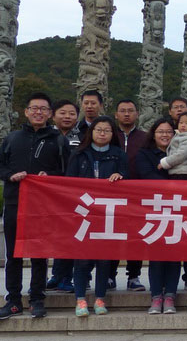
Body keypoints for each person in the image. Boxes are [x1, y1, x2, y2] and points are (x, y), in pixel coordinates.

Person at [0, 92, 70, 319]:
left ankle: (37, 298)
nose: (38, 112)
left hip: (43, 206)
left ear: (50, 114)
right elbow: (1, 167)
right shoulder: (12, 138)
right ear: (26, 111)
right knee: (14, 254)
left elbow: (67, 171)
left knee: (40, 253)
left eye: (43, 109)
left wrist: (49, 177)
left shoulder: (58, 140)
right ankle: (13, 300)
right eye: (34, 108)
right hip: (15, 201)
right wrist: (11, 176)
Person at [66, 115, 128, 317]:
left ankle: (100, 298)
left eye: (107, 130)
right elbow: (68, 183)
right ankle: (80, 299)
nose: (102, 133)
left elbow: (128, 181)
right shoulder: (79, 154)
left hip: (107, 214)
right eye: (99, 130)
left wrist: (120, 177)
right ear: (91, 132)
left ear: (113, 134)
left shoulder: (119, 155)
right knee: (82, 259)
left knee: (104, 259)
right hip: (83, 212)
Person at [133, 118, 182, 314]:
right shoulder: (144, 154)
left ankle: (170, 295)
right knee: (156, 254)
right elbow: (147, 176)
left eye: (169, 131)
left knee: (175, 254)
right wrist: (173, 185)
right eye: (161, 131)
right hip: (154, 208)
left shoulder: (181, 153)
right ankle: (156, 296)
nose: (165, 135)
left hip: (179, 208)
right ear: (153, 134)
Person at [108, 99, 150, 292]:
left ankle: (134, 276)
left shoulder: (145, 138)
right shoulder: (109, 134)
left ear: (137, 114)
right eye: (123, 111)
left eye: (130, 111)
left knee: (136, 237)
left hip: (138, 194)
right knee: (111, 235)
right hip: (112, 194)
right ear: (116, 114)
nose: (126, 114)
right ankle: (109, 275)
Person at [45, 98, 80, 293]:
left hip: (75, 194)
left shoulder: (83, 136)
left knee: (71, 236)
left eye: (72, 114)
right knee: (54, 237)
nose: (67, 117)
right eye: (63, 113)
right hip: (50, 193)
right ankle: (55, 276)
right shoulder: (45, 136)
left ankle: (67, 277)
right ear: (53, 115)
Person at [166, 97, 187, 291]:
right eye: (176, 108)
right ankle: (169, 278)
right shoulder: (170, 133)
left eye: (183, 108)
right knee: (169, 233)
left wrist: (165, 163)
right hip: (170, 191)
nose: (183, 124)